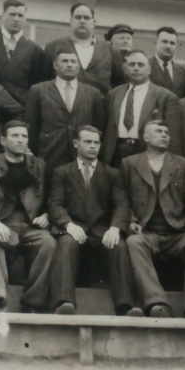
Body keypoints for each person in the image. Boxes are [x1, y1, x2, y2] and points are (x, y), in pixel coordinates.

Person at [123, 120, 185, 319]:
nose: (165, 135)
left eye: (167, 132)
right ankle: (156, 303)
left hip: (177, 233)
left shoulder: (182, 164)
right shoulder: (130, 163)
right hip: (147, 232)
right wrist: (130, 220)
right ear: (146, 137)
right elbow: (123, 198)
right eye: (158, 131)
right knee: (133, 242)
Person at [47, 126, 139, 316]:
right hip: (75, 226)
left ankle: (125, 305)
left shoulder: (112, 173)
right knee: (66, 243)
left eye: (96, 142)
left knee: (119, 246)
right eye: (87, 142)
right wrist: (68, 224)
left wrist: (115, 228)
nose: (92, 146)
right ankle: (64, 302)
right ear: (76, 144)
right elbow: (55, 204)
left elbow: (122, 205)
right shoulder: (62, 172)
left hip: (101, 229)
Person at [0, 121, 58, 312]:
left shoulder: (39, 166)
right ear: (3, 140)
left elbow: (52, 198)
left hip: (30, 225)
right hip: (2, 223)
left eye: (24, 136)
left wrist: (46, 215)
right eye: (15, 136)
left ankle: (33, 302)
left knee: (48, 243)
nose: (20, 140)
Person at [26, 50, 106, 178]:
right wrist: (37, 152)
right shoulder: (38, 90)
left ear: (78, 66)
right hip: (49, 152)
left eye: (73, 61)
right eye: (65, 61)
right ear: (55, 65)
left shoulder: (93, 93)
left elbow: (99, 126)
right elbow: (32, 125)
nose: (69, 65)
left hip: (81, 154)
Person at [102, 50, 183, 166]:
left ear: (149, 69)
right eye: (132, 64)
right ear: (125, 69)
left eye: (141, 65)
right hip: (115, 155)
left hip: (147, 153)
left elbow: (174, 139)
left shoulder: (166, 97)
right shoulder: (113, 94)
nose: (136, 68)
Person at [41, 3, 118, 95]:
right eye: (78, 17)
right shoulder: (53, 47)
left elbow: (118, 84)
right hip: (63, 106)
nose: (82, 21)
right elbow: (44, 81)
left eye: (86, 18)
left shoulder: (109, 49)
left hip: (100, 107)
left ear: (94, 22)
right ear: (71, 21)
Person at [149, 26, 185, 97]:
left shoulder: (184, 72)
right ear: (156, 43)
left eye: (172, 43)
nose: (168, 46)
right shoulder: (145, 66)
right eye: (164, 42)